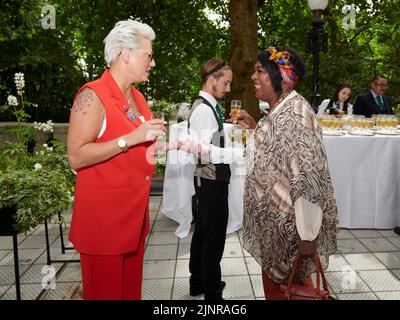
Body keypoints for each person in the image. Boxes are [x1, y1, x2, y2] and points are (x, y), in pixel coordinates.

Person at [67, 19, 165, 300]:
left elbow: (141, 142)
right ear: (126, 55)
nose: (153, 63)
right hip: (104, 226)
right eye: (149, 55)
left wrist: (170, 146)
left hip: (133, 221)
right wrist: (129, 139)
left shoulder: (137, 97)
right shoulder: (92, 95)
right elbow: (76, 156)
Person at [234, 47, 339, 300]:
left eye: (260, 71)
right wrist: (255, 128)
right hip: (276, 229)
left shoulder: (296, 113)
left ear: (281, 77)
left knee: (286, 291)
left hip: (289, 234)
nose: (253, 77)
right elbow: (276, 154)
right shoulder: (280, 109)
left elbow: (308, 179)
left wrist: (308, 235)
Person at [183, 58, 243, 300]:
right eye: (226, 83)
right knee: (213, 237)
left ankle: (198, 281)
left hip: (207, 179)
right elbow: (203, 151)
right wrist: (238, 153)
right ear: (211, 80)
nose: (228, 89)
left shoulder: (206, 107)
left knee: (204, 232)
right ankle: (212, 291)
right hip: (211, 179)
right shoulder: (204, 111)